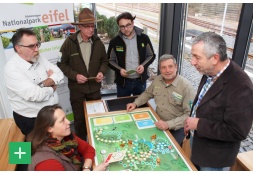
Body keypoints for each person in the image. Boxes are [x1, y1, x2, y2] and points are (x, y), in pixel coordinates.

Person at [184, 32, 253, 171]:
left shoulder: (241, 85)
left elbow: (238, 131)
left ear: (215, 58)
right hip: (198, 144)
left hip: (214, 160)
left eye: (197, 57)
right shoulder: (209, 70)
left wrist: (199, 124)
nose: (192, 62)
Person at [57, 8, 108, 140]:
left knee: (97, 117)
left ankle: (98, 141)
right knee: (79, 121)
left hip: (94, 89)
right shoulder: (69, 43)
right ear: (79, 26)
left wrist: (102, 72)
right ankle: (81, 145)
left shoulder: (98, 42)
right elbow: (62, 64)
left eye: (93, 26)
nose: (91, 29)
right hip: (77, 90)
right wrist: (75, 76)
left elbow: (104, 61)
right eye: (87, 26)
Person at [4, 28, 64, 137]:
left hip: (50, 114)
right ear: (18, 48)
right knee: (36, 150)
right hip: (31, 120)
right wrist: (52, 87)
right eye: (32, 46)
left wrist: (45, 83)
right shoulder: (11, 69)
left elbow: (59, 74)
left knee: (54, 146)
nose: (37, 49)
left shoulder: (38, 57)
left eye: (37, 45)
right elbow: (36, 95)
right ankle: (23, 154)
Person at [127, 54, 195, 145]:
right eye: (163, 67)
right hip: (157, 122)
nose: (167, 71)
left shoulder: (186, 87)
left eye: (170, 66)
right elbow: (147, 93)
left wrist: (168, 124)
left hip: (177, 128)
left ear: (176, 67)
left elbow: (189, 115)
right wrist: (135, 103)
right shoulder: (157, 80)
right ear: (160, 69)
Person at [27, 104, 109, 171]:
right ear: (49, 128)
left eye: (65, 118)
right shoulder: (48, 163)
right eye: (62, 120)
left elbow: (88, 149)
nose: (69, 122)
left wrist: (86, 168)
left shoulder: (66, 136)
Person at [107, 12, 156, 97]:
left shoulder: (144, 38)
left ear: (133, 23)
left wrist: (143, 66)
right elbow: (110, 60)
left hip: (140, 81)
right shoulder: (114, 42)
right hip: (123, 82)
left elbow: (151, 55)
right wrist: (120, 70)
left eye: (128, 25)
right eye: (122, 26)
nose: (126, 29)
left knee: (140, 105)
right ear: (119, 26)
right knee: (122, 105)